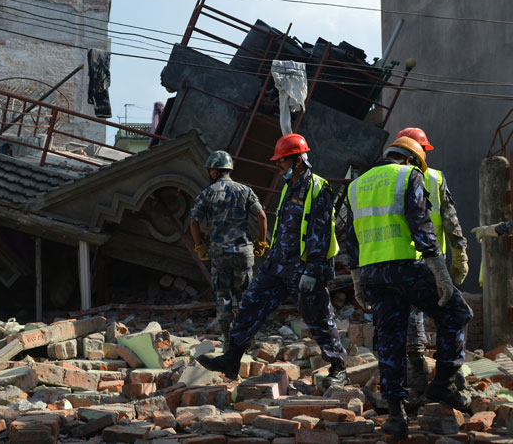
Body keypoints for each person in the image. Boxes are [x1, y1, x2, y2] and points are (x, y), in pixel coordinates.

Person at [196, 134, 348, 388]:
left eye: (282, 162)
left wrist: (312, 269)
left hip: (304, 267)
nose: (279, 167)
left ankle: (338, 366)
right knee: (250, 304)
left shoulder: (318, 188)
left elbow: (320, 231)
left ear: (297, 161)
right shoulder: (291, 185)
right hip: (278, 263)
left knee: (319, 316)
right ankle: (232, 359)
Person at [346, 136, 472, 439]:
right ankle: (443, 384)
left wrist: (356, 278)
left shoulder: (356, 185)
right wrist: (440, 272)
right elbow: (421, 224)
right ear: (411, 159)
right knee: (456, 313)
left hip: (374, 272)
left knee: (390, 340)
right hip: (408, 268)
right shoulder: (409, 175)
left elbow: (351, 236)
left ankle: (397, 416)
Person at [393, 128, 468, 393]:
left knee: (416, 315)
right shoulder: (430, 177)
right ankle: (448, 375)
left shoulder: (412, 177)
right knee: (449, 311)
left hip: (413, 258)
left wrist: (459, 250)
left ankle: (421, 374)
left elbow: (449, 216)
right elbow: (451, 218)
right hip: (427, 259)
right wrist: (459, 251)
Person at [190, 150, 268, 351]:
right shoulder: (245, 190)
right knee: (245, 296)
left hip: (220, 253)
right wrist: (261, 242)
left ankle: (227, 341)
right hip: (243, 251)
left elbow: (194, 221)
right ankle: (247, 339)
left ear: (215, 170)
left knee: (223, 297)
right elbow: (261, 216)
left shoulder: (207, 193)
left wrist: (199, 246)